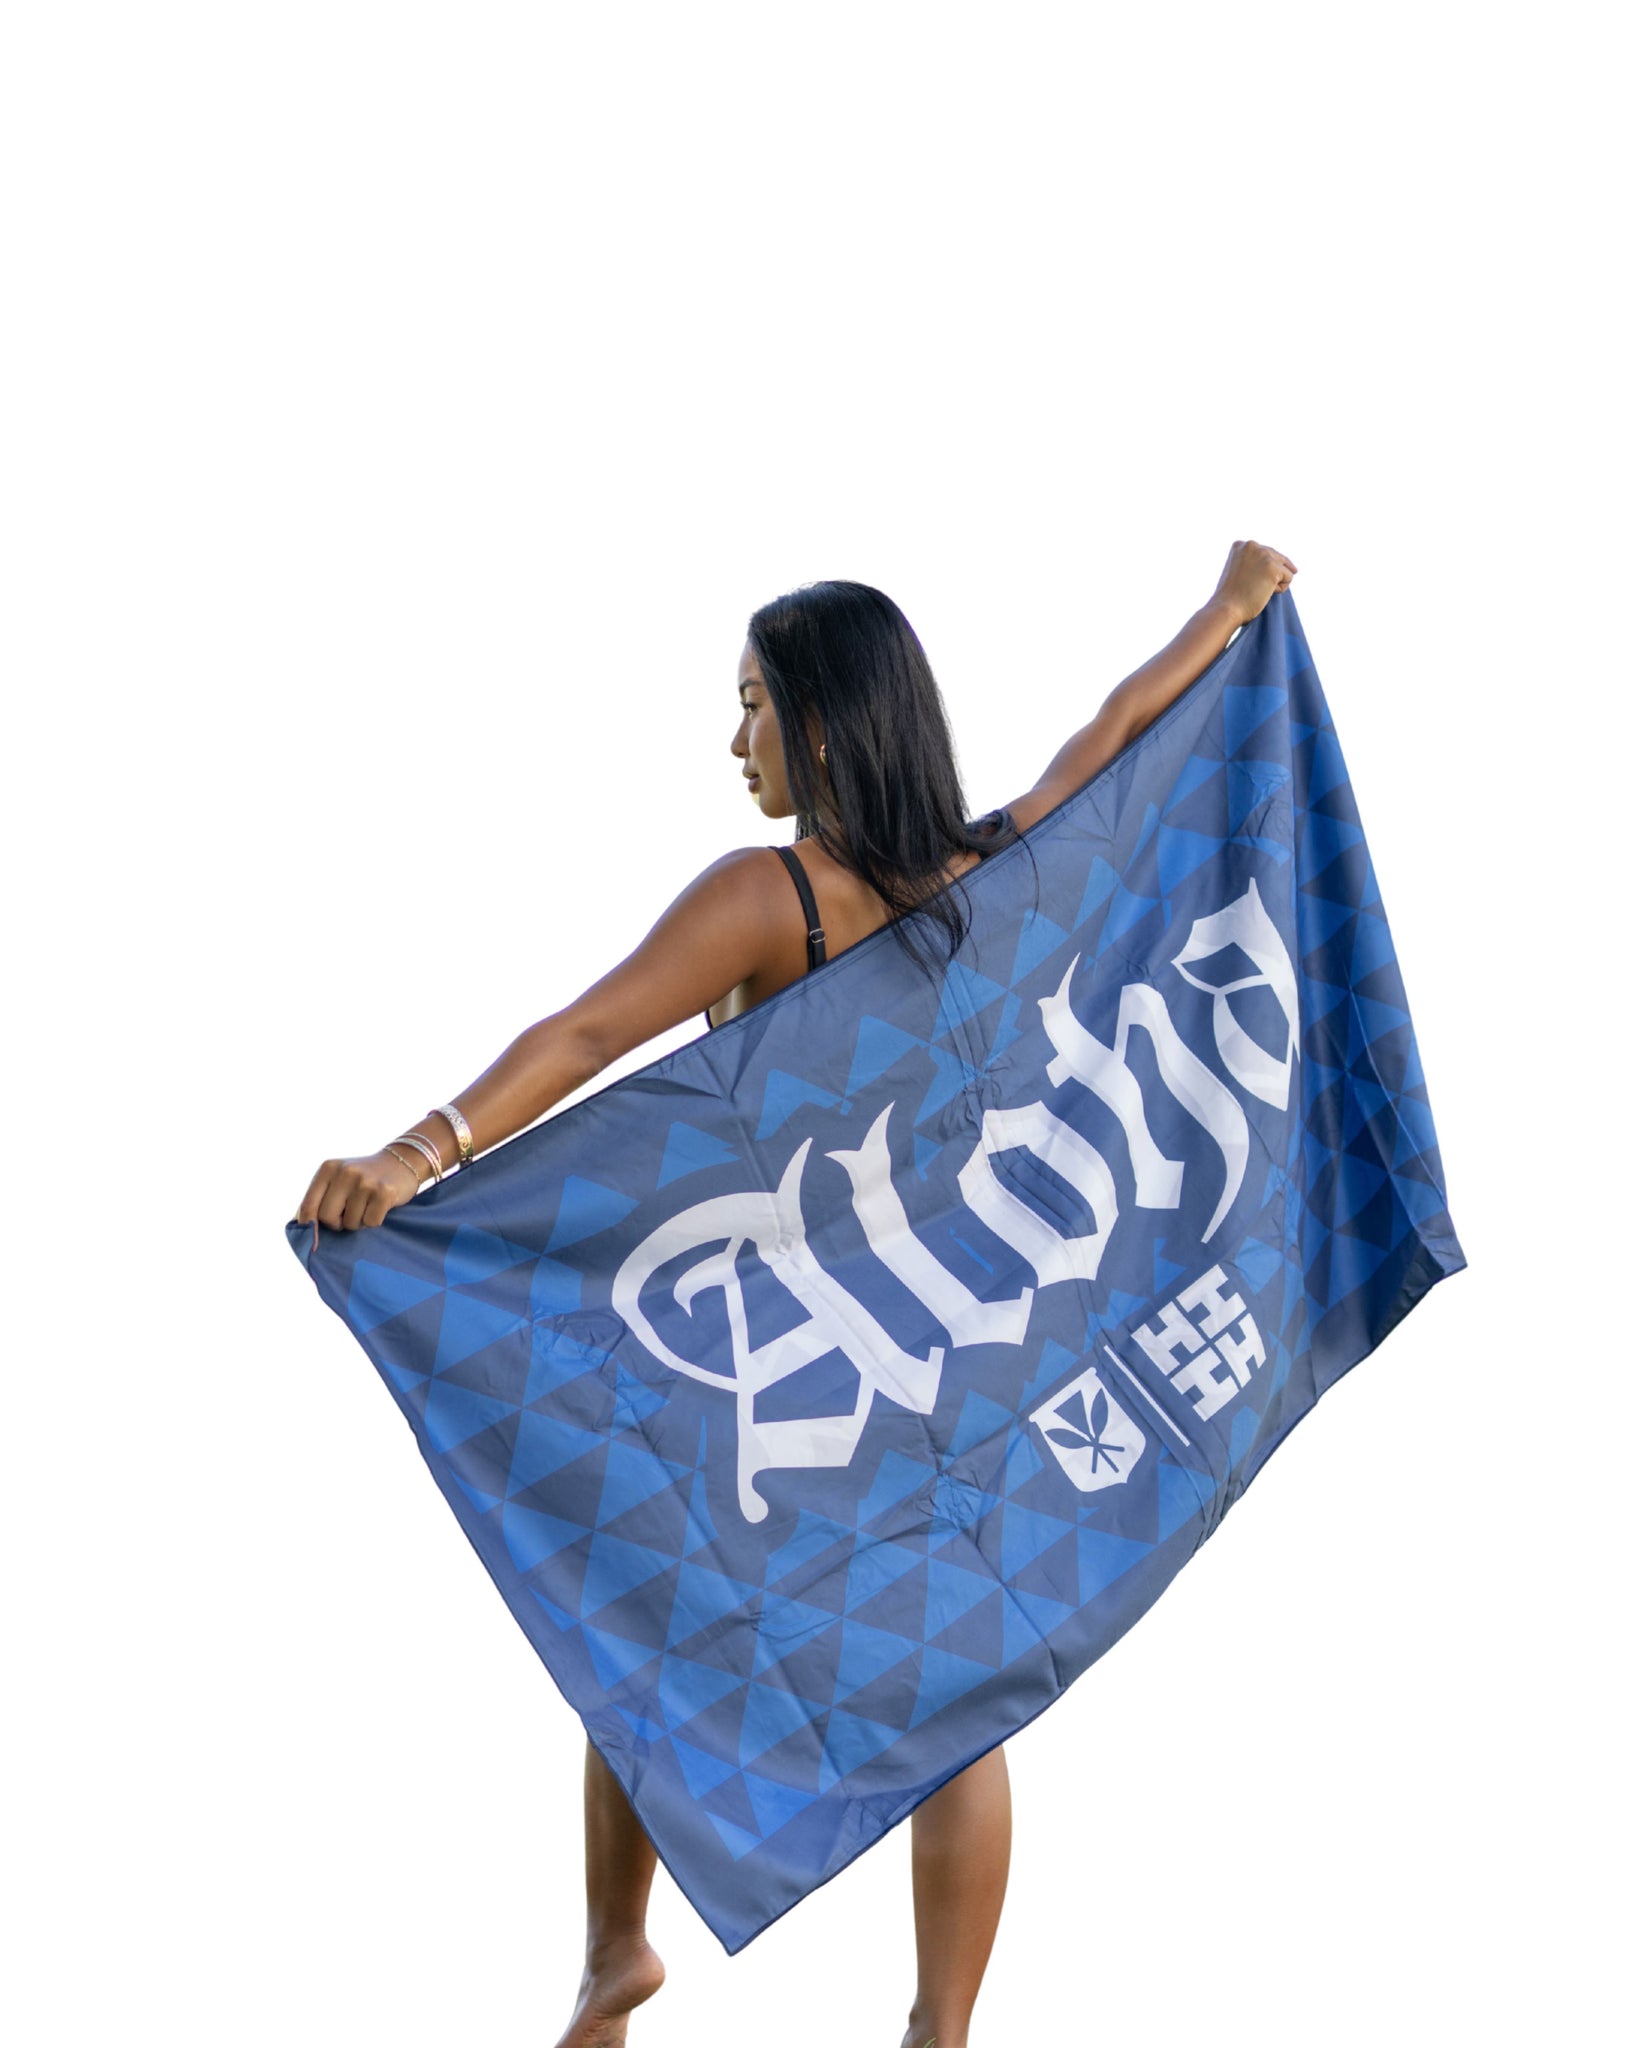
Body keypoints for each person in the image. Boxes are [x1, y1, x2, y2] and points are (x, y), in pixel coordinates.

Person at [292, 537, 1298, 2048]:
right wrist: (1223, 613)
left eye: (752, 703)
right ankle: (939, 2029)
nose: (735, 739)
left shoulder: (773, 897)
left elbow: (584, 1036)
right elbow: (1110, 741)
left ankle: (615, 1953)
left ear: (818, 722)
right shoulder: (987, 874)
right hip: (952, 1359)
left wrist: (420, 1150)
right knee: (962, 1693)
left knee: (639, 1610)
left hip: (808, 1358)